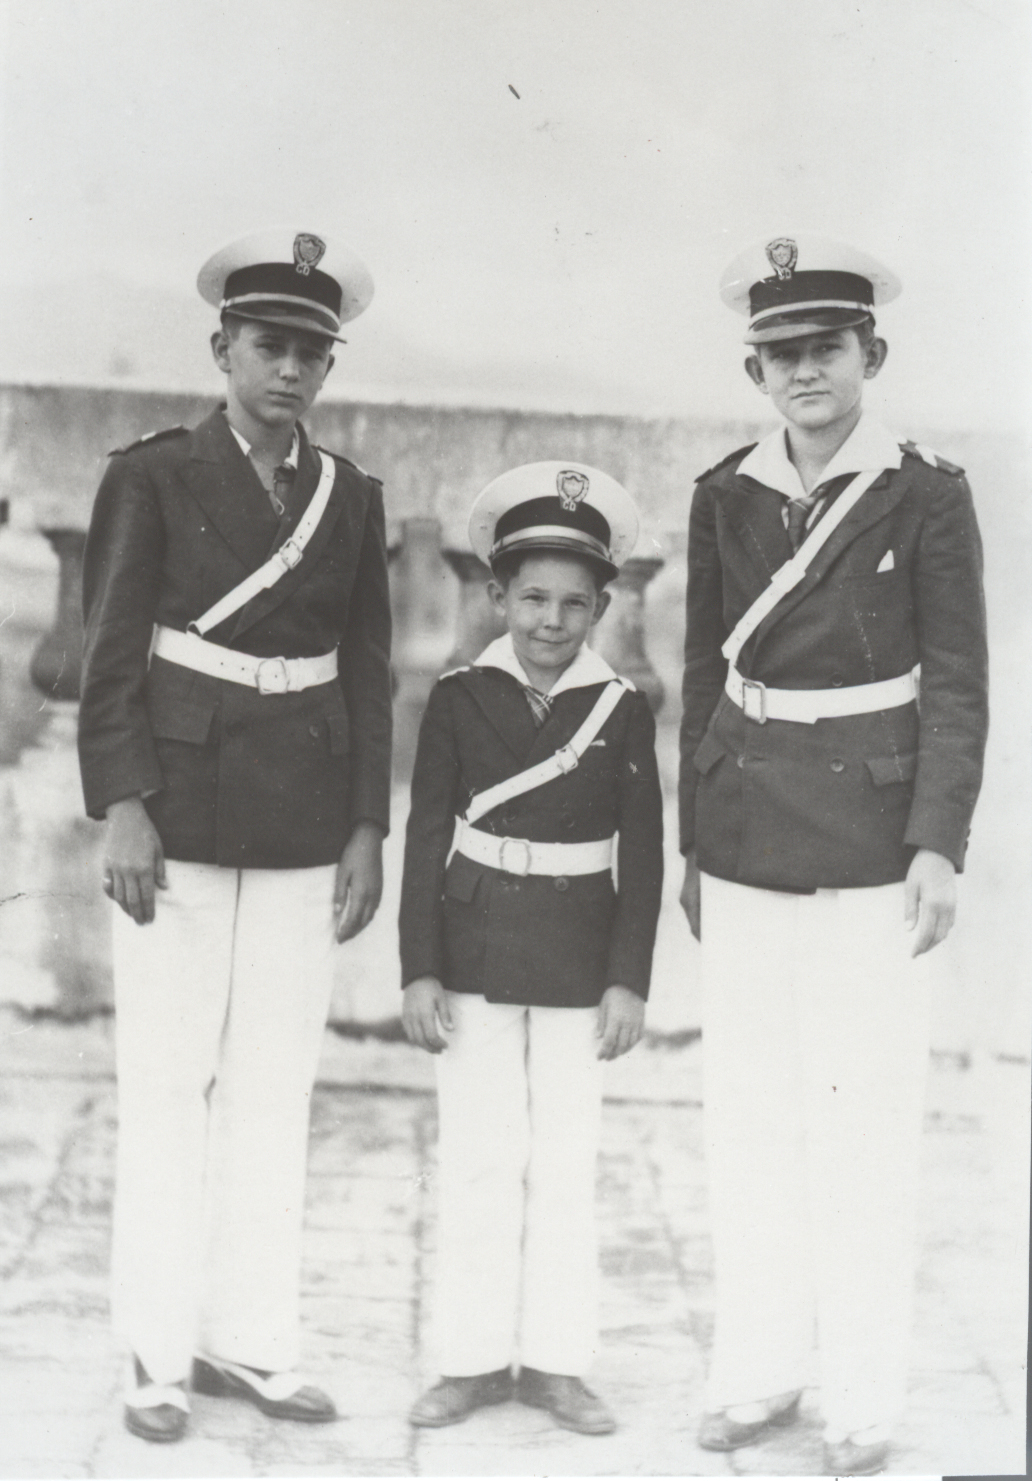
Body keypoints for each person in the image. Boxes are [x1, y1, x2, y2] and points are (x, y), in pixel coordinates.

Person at [679, 234, 989, 1475]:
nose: (804, 371)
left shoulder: (925, 494)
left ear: (873, 353)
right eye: (781, 353)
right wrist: (697, 837)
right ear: (756, 367)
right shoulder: (724, 494)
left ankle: (862, 1387)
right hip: (747, 826)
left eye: (826, 348)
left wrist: (937, 844)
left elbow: (959, 680)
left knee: (860, 1119)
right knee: (748, 1115)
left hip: (872, 834)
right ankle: (762, 1369)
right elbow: (706, 673)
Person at [77, 227, 393, 1442]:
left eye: (313, 352)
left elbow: (368, 671)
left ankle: (248, 1338)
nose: (291, 371)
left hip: (307, 820)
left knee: (274, 1088)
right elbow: (108, 652)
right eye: (269, 346)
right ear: (223, 348)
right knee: (167, 1086)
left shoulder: (350, 497)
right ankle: (155, 1354)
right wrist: (123, 803)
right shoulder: (152, 476)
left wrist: (368, 822)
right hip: (181, 812)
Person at [399, 462, 664, 1435]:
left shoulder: (622, 705)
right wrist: (418, 963)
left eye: (574, 603)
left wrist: (628, 980)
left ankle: (555, 1360)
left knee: (565, 1158)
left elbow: (645, 848)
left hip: (576, 960)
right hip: (470, 950)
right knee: (477, 1154)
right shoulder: (462, 695)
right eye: (533, 598)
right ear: (497, 595)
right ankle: (469, 1359)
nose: (552, 620)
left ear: (601, 606)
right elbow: (427, 831)